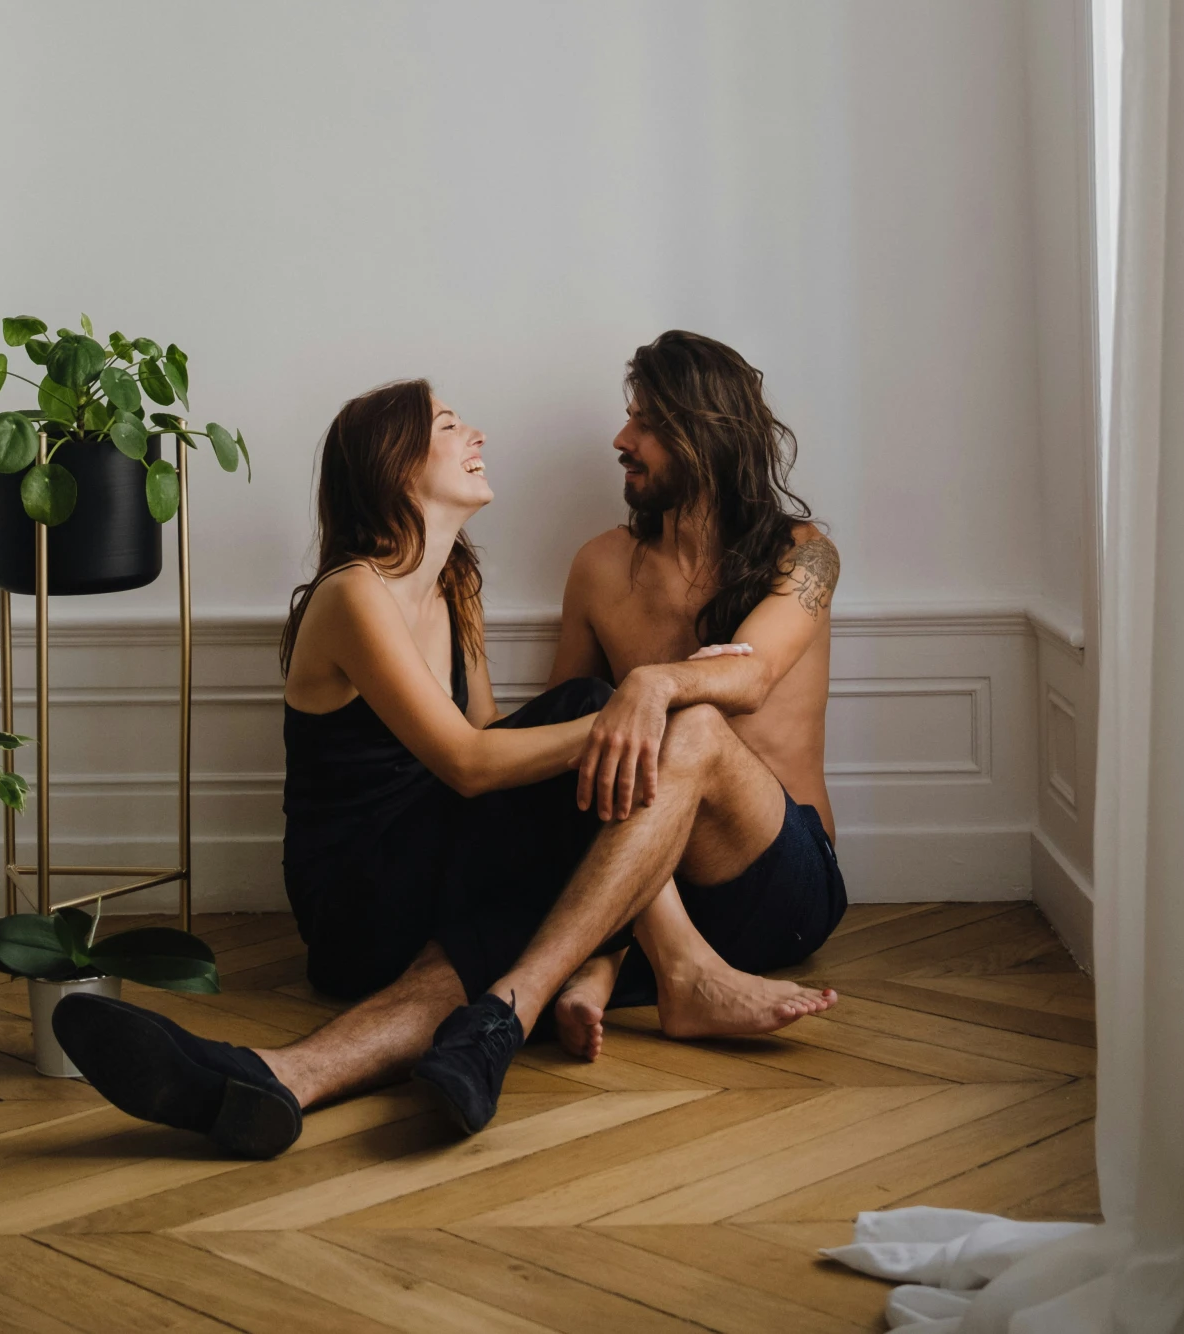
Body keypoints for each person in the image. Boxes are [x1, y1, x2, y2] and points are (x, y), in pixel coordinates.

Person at [53, 373, 827, 1158]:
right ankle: (673, 966)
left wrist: (633, 715)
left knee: (509, 927)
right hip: (357, 893)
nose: (477, 437)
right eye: (451, 426)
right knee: (586, 708)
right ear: (395, 467)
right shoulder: (355, 593)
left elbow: (489, 738)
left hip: (434, 872)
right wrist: (634, 712)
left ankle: (276, 1077)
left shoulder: (456, 585)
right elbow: (468, 762)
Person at [545, 328, 846, 1061]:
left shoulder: (802, 554)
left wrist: (654, 682)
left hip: (780, 883)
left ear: (707, 434)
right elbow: (564, 737)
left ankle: (602, 962)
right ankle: (633, 965)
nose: (622, 438)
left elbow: (752, 676)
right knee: (585, 708)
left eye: (646, 423)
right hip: (647, 881)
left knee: (699, 726)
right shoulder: (598, 566)